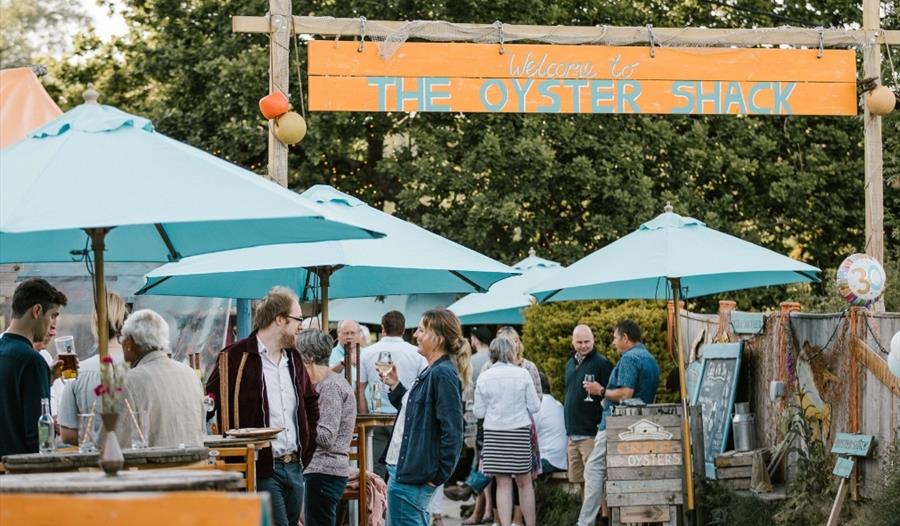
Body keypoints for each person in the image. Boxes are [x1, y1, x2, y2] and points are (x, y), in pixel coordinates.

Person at [206, 286, 319, 526]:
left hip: (295, 467)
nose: (302, 326)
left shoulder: (294, 358)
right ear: (280, 319)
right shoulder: (234, 357)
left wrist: (307, 447)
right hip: (260, 467)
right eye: (298, 319)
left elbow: (310, 403)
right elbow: (208, 403)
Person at [380, 308, 470, 526]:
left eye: (421, 330)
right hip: (404, 471)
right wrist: (396, 387)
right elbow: (415, 415)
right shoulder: (430, 371)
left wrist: (437, 477)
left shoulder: (442, 373)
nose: (415, 335)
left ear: (437, 338)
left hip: (414, 476)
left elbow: (454, 432)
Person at [576, 320, 660, 526]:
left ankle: (585, 522)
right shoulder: (649, 358)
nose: (613, 342)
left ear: (625, 338)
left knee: (593, 469)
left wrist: (601, 391)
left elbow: (626, 393)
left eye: (615, 338)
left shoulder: (630, 358)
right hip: (639, 425)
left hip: (618, 425)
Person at [474, 337, 541, 526]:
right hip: (519, 432)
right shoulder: (522, 374)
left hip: (494, 434)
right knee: (524, 483)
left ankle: (504, 523)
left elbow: (478, 411)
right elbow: (535, 407)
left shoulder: (484, 377)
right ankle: (530, 524)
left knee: (502, 484)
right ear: (511, 352)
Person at [0, 278, 67, 456]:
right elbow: (39, 438)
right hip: (21, 472)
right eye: (52, 315)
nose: (52, 324)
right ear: (37, 311)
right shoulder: (32, 361)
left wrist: (48, 379)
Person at [119, 309, 205, 447]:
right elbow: (201, 430)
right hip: (198, 465)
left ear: (128, 343)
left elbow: (119, 442)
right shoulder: (190, 375)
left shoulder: (130, 381)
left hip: (156, 467)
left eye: (122, 340)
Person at [359, 310, 427, 480]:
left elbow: (359, 388)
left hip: (376, 415)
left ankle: (377, 505)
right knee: (401, 466)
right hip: (406, 415)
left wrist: (364, 416)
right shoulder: (417, 354)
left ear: (383, 328)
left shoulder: (367, 353)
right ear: (404, 330)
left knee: (376, 470)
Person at [299, 330, 356, 526]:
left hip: (324, 472)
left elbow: (326, 437)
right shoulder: (326, 384)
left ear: (309, 358)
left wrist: (299, 417)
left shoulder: (330, 386)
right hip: (323, 472)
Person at [58, 292, 129, 445]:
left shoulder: (79, 371)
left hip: (92, 462)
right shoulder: (138, 367)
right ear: (125, 323)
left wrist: (95, 440)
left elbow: (67, 434)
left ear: (95, 325)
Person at [564, 325, 613, 491]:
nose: (583, 345)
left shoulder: (602, 363)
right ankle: (588, 516)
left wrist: (599, 391)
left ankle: (604, 516)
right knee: (579, 480)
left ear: (593, 341)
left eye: (587, 341)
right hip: (572, 433)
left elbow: (611, 395)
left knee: (596, 478)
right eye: (579, 342)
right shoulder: (570, 364)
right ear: (573, 342)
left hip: (591, 433)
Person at [535, 372, 567, 475]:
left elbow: (524, 437)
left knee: (508, 467)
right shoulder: (555, 403)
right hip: (561, 460)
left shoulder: (538, 405)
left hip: (547, 460)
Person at [330, 319, 361, 384]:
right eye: (346, 333)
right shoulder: (330, 354)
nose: (349, 337)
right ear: (338, 334)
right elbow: (326, 376)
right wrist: (344, 361)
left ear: (358, 334)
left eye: (352, 333)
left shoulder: (365, 353)